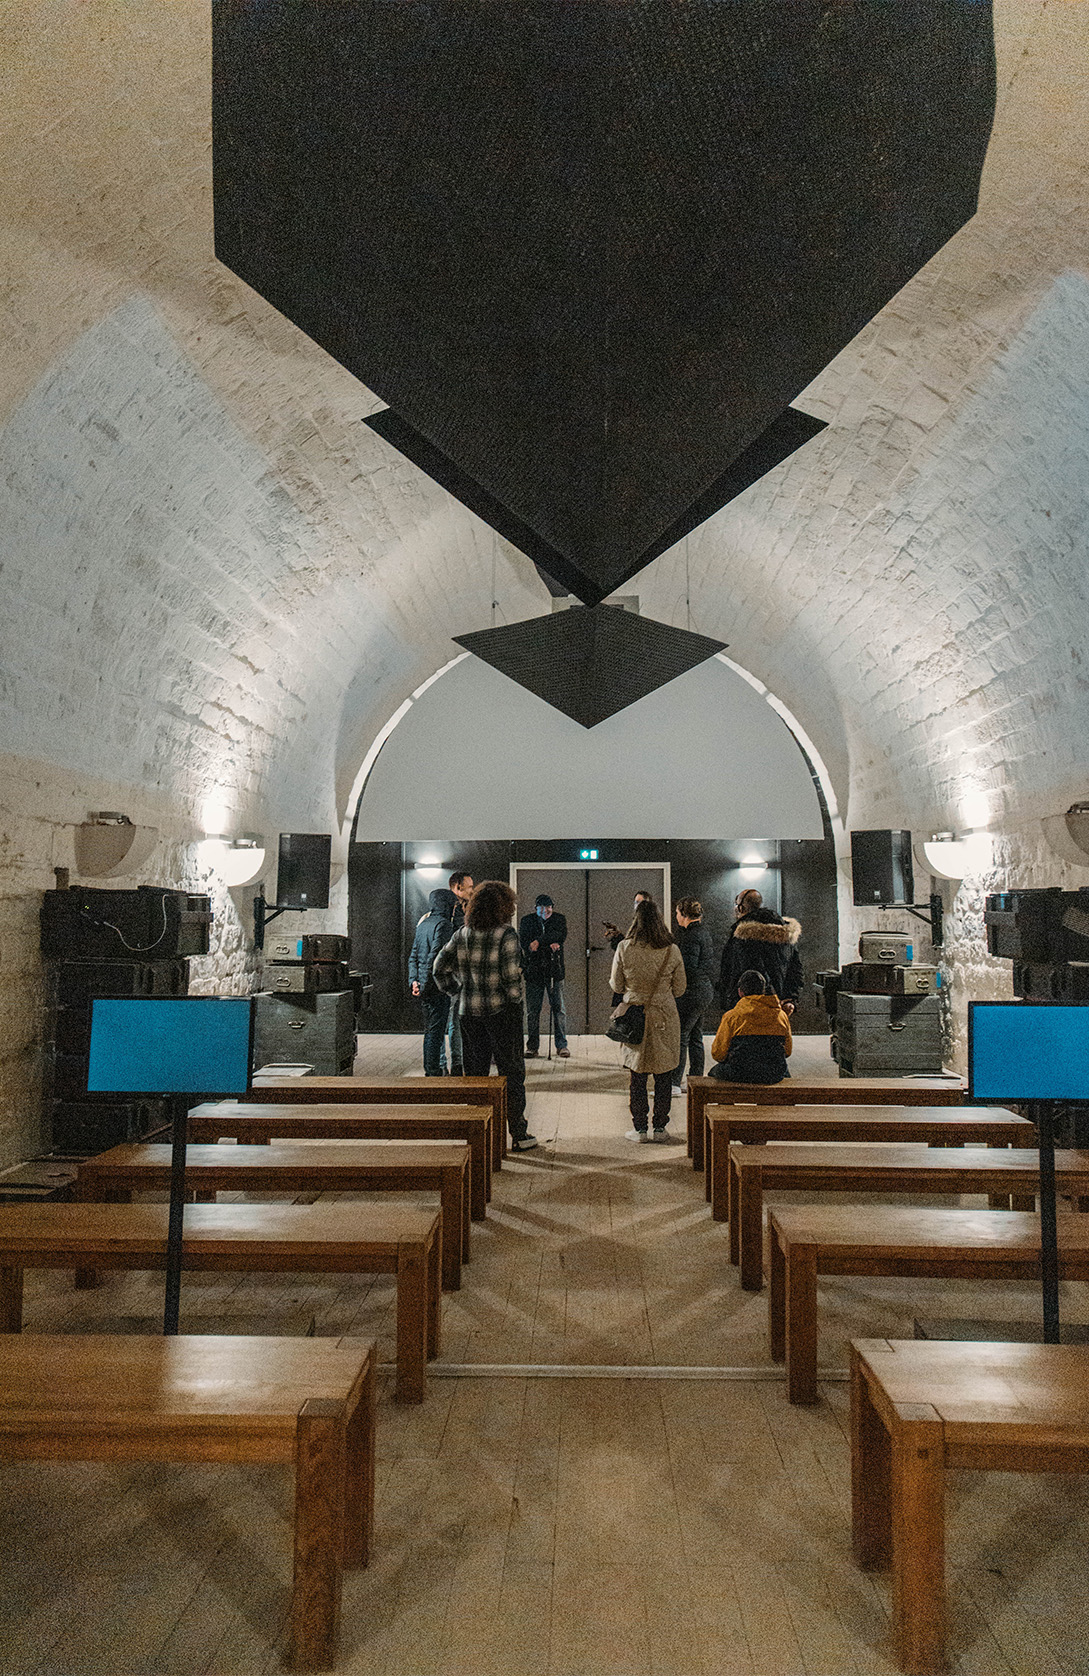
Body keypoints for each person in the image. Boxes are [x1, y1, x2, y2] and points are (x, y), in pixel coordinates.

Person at [432, 879, 537, 1151]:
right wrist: (516, 1001)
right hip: (502, 1014)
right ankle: (519, 1134)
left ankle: (478, 1136)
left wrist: (457, 991)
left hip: (469, 1014)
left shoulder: (462, 934)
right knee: (511, 1074)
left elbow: (438, 969)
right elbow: (511, 979)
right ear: (503, 907)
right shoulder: (506, 935)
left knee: (475, 1076)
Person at [609, 897, 686, 1141]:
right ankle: (660, 1127)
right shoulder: (672, 950)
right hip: (664, 1014)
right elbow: (680, 988)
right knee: (664, 1072)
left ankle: (640, 1128)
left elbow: (616, 985)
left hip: (635, 1013)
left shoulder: (624, 947)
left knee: (637, 1073)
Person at [718, 889, 803, 1016]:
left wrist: (727, 999)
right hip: (780, 1006)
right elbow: (795, 969)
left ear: (741, 908)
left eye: (736, 904)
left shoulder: (743, 936)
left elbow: (739, 971)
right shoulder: (786, 933)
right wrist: (791, 999)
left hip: (747, 1007)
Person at [709, 969, 792, 1084]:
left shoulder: (732, 1017)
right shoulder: (781, 1016)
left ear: (740, 992)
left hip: (739, 1073)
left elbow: (718, 1054)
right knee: (786, 1074)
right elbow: (787, 1051)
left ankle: (727, 1097)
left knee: (714, 1073)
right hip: (773, 1074)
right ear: (763, 991)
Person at [407, 887, 457, 1075]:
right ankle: (433, 1073)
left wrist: (414, 981)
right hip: (436, 987)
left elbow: (413, 956)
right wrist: (426, 986)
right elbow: (435, 959)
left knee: (429, 1031)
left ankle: (431, 1071)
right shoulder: (444, 925)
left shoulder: (423, 924)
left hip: (423, 985)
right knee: (436, 1033)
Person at [670, 897, 715, 1095]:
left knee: (680, 1036)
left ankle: (674, 1083)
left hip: (691, 992)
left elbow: (687, 968)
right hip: (704, 991)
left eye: (677, 913)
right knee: (696, 1036)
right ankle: (696, 1081)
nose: (676, 916)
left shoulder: (689, 936)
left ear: (684, 914)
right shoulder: (704, 932)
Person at [519, 893, 569, 1058]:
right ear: (536, 908)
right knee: (533, 1011)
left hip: (554, 971)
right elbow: (526, 943)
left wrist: (539, 942)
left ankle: (561, 1045)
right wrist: (547, 944)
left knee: (559, 1009)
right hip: (534, 972)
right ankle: (532, 1046)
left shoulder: (559, 919)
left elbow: (559, 936)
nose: (546, 911)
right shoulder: (527, 921)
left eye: (549, 907)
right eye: (542, 908)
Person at [444, 871, 474, 1073]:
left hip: (463, 974)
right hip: (456, 974)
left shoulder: (465, 910)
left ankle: (458, 1061)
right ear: (457, 887)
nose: (472, 890)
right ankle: (457, 1063)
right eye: (469, 886)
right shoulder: (452, 913)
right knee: (454, 1019)